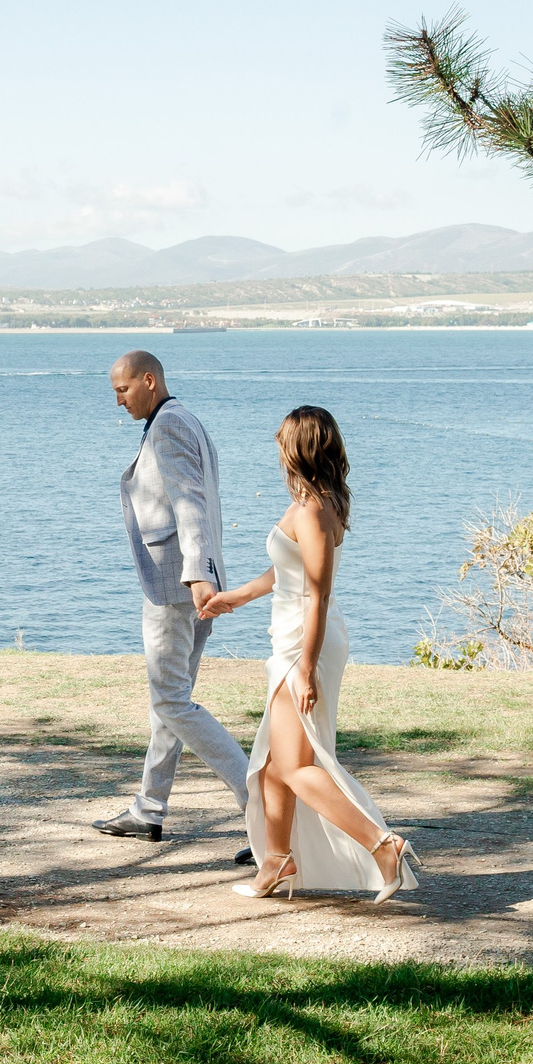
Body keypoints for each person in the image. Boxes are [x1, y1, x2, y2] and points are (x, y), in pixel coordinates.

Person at [201, 406, 416, 902]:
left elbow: (316, 592)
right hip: (296, 638)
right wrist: (237, 596)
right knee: (274, 765)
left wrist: (305, 668)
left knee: (296, 766)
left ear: (297, 449)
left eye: (282, 445)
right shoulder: (310, 503)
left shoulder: (315, 509)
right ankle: (276, 863)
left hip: (306, 643)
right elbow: (285, 572)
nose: (277, 453)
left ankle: (383, 846)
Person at [95, 350, 253, 860]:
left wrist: (194, 576)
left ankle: (259, 798)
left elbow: (191, 503)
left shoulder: (170, 426)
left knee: (171, 701)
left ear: (148, 380)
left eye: (123, 390)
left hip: (175, 586)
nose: (118, 400)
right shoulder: (179, 418)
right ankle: (149, 808)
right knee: (172, 698)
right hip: (190, 581)